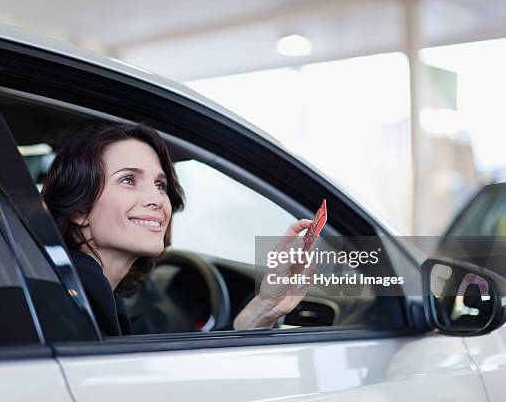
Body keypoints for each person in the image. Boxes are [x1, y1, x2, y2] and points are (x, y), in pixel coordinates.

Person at [42, 122, 316, 336]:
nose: (157, 199)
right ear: (80, 208)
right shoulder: (63, 303)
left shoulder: (87, 295)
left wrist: (266, 306)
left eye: (160, 185)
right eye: (128, 180)